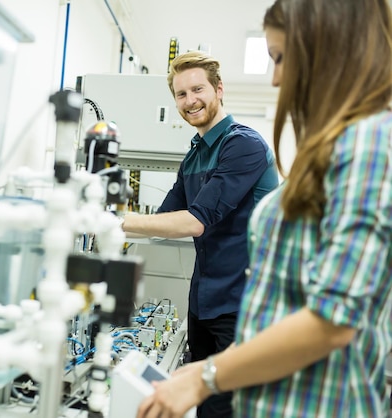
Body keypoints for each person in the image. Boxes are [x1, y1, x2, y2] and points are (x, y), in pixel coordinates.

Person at [136, 0, 392, 417]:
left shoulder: (367, 145)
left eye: (280, 58)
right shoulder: (329, 149)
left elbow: (334, 318)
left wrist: (207, 377)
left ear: (329, 50)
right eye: (180, 93)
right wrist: (207, 368)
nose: (274, 79)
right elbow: (287, 300)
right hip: (266, 378)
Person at [121, 50, 279, 417]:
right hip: (203, 302)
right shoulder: (194, 153)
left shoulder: (244, 145)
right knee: (204, 406)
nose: (190, 101)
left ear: (219, 89)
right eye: (181, 94)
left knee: (231, 406)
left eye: (198, 89)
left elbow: (195, 221)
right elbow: (164, 219)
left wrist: (116, 222)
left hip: (241, 303)